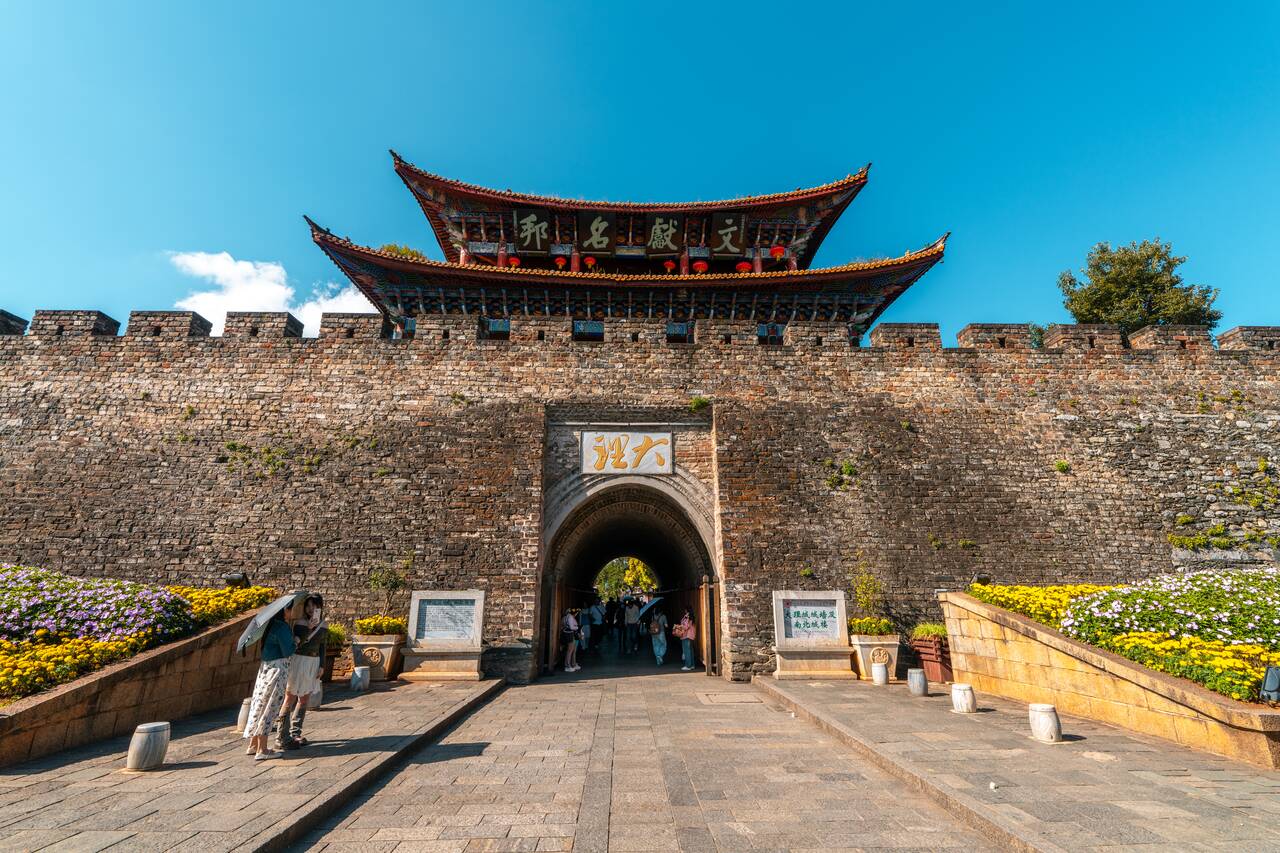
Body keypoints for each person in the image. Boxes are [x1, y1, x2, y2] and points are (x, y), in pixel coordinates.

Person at [243, 596, 298, 760]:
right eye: (290, 609)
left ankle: (253, 745)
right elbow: (288, 650)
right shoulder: (281, 627)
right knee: (270, 707)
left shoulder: (269, 626)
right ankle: (263, 749)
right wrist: (297, 640)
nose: (291, 613)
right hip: (277, 670)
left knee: (259, 704)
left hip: (265, 669)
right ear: (285, 610)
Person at [275, 594, 327, 750]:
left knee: (304, 699)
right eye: (308, 606)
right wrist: (309, 628)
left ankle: (295, 732)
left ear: (320, 607)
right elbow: (297, 642)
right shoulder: (300, 623)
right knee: (289, 697)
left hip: (313, 662)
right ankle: (281, 736)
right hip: (299, 660)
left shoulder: (324, 625)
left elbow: (323, 646)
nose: (311, 609)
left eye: (315, 606)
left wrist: (322, 665)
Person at [561, 607, 580, 672]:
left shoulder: (565, 617)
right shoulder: (570, 617)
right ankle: (567, 666)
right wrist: (577, 627)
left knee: (570, 650)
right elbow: (572, 627)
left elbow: (562, 625)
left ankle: (570, 664)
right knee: (570, 651)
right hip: (570, 634)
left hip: (566, 634)